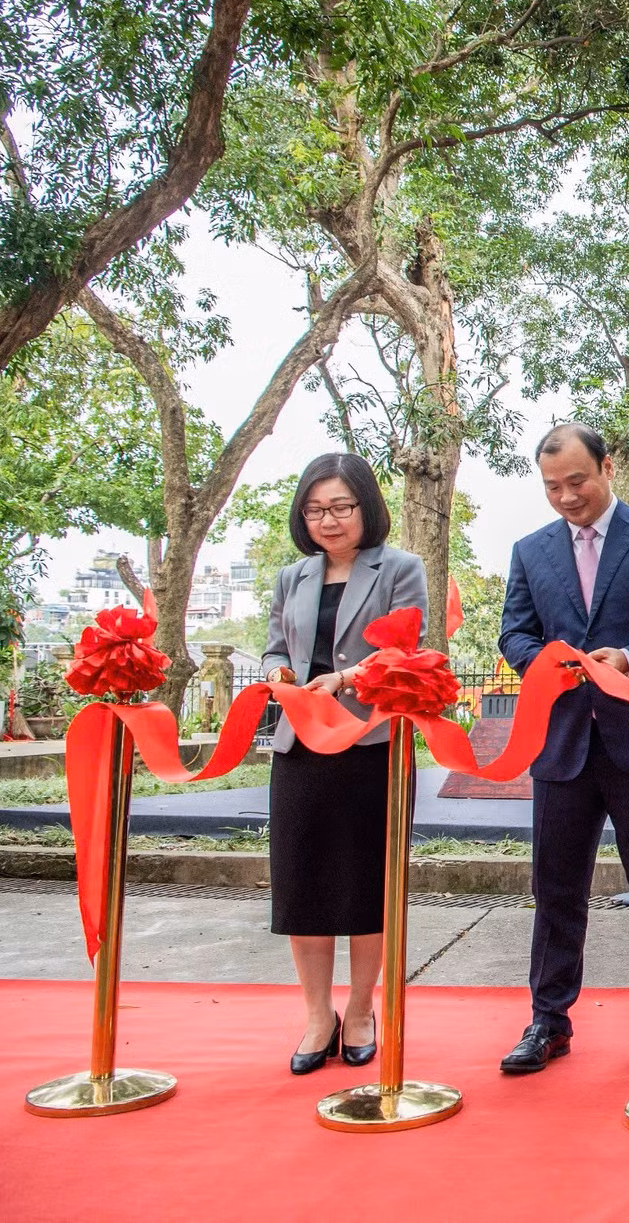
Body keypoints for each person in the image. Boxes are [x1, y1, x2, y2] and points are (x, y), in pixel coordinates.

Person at [496, 423, 629, 1077]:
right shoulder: (531, 552)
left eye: (577, 481)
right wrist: (551, 661)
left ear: (608, 468)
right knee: (556, 888)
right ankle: (549, 1020)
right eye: (553, 487)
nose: (566, 497)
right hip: (561, 745)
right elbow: (514, 634)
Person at [261, 453, 428, 1075]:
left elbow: (406, 650)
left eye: (340, 507)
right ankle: (316, 1016)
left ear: (366, 506)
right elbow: (276, 646)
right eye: (315, 509)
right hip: (300, 746)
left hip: (371, 745)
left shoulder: (399, 569)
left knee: (367, 883)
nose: (328, 521)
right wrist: (278, 672)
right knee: (302, 884)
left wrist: (347, 677)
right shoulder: (292, 577)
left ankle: (360, 1011)